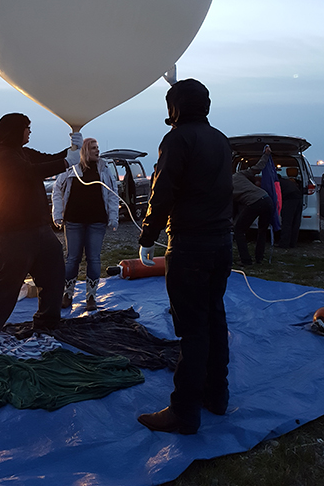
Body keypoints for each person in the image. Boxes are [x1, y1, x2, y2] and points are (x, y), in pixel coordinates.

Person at [137, 79, 233, 435]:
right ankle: (217, 396)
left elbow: (162, 192)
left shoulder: (177, 140)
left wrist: (148, 236)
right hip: (221, 244)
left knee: (193, 330)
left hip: (190, 246)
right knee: (215, 320)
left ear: (173, 108)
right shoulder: (221, 140)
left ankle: (184, 412)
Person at [0, 113, 83, 351]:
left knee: (54, 274)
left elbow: (50, 160)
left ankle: (47, 322)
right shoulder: (1, 156)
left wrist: (73, 149)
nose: (30, 132)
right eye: (27, 128)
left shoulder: (25, 153)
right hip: (11, 231)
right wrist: (67, 162)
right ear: (14, 130)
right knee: (8, 282)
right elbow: (31, 172)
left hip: (39, 228)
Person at [52, 138, 119, 310]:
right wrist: (58, 214)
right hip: (73, 220)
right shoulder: (70, 169)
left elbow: (112, 194)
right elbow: (57, 189)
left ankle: (91, 297)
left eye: (98, 147)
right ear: (84, 151)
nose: (97, 150)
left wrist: (113, 217)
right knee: (72, 258)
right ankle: (67, 294)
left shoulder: (104, 169)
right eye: (93, 148)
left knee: (94, 258)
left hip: (97, 221)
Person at [232, 147, 273, 265]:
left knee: (239, 230)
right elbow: (258, 167)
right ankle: (259, 259)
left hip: (255, 203)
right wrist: (266, 155)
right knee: (262, 231)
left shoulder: (225, 187)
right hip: (267, 199)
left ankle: (245, 260)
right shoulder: (239, 175)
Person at [277, 171, 302, 248]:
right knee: (295, 222)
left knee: (287, 222)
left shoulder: (276, 184)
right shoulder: (287, 181)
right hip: (298, 198)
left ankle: (284, 244)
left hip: (289, 199)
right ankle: (292, 243)